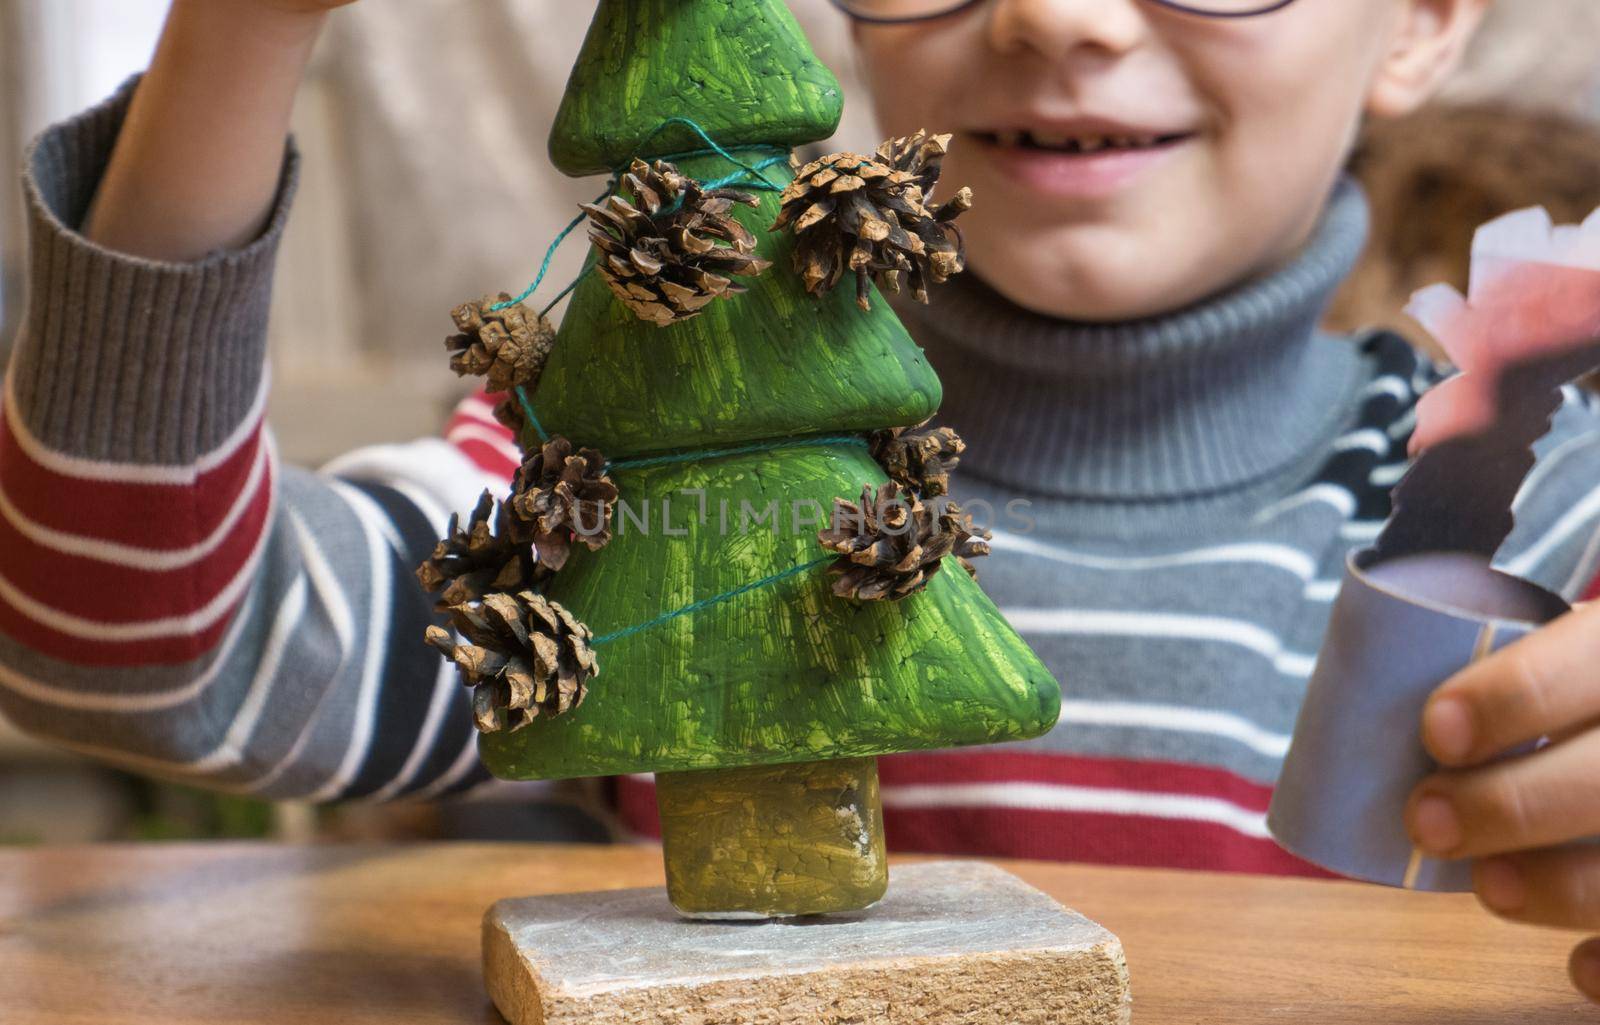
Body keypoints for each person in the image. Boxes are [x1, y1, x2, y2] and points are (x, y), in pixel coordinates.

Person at [3, 0, 1600, 1001]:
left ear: (1424, 22)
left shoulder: (1530, 517)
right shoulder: (591, 479)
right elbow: (138, 646)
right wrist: (238, 33)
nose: (1056, 16)